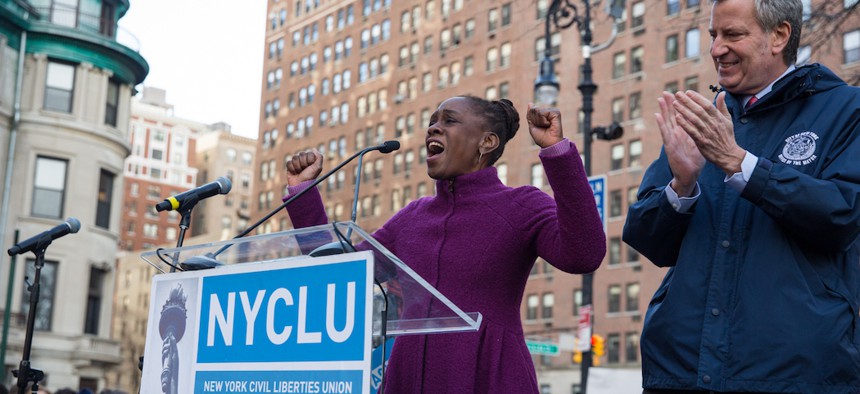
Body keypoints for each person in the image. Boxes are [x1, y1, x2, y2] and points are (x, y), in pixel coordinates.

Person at [284, 96, 606, 393]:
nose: (433, 127)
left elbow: (584, 254)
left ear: (487, 141)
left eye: (449, 121)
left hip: (490, 376)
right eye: (433, 121)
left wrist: (557, 153)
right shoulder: (412, 217)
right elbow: (341, 277)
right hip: (406, 378)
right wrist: (303, 195)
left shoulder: (521, 206)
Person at [623, 0, 860, 393]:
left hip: (795, 376)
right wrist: (681, 185)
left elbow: (843, 216)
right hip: (680, 371)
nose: (716, 48)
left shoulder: (846, 110)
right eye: (714, 35)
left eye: (732, 35)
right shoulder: (702, 119)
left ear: (779, 36)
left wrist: (739, 165)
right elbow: (648, 242)